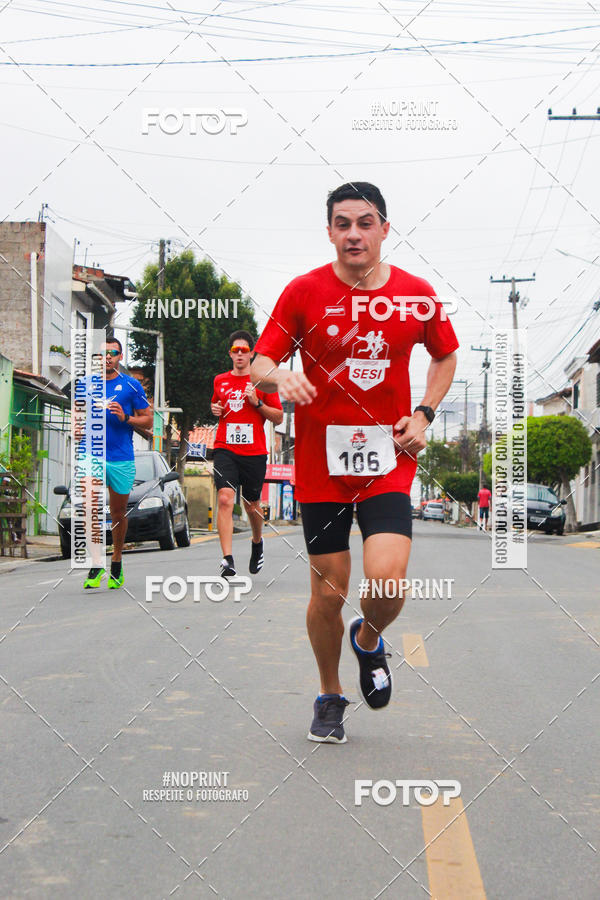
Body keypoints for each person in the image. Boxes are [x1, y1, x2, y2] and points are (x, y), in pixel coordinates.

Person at [251, 182, 459, 743]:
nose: (353, 234)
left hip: (387, 458)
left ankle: (367, 638)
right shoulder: (303, 292)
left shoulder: (415, 294)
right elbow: (262, 359)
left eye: (365, 223)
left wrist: (424, 414)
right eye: (342, 224)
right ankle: (329, 693)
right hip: (321, 465)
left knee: (388, 582)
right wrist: (279, 374)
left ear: (384, 229)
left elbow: (445, 355)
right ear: (329, 232)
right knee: (328, 591)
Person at [75, 337, 153, 590]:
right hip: (92, 454)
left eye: (113, 353)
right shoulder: (85, 385)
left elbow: (148, 420)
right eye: (103, 353)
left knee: (118, 513)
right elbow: (78, 413)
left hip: (121, 457)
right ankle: (96, 564)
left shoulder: (131, 385)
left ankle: (116, 561)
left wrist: (126, 417)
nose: (107, 357)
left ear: (120, 356)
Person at [211, 331, 283, 578]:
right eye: (235, 350)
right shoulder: (219, 380)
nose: (239, 354)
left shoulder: (263, 382)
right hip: (225, 448)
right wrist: (215, 408)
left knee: (252, 505)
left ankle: (257, 541)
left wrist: (258, 404)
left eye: (244, 350)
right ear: (230, 353)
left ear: (252, 353)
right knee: (224, 498)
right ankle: (228, 559)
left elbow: (279, 416)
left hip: (253, 452)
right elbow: (216, 407)